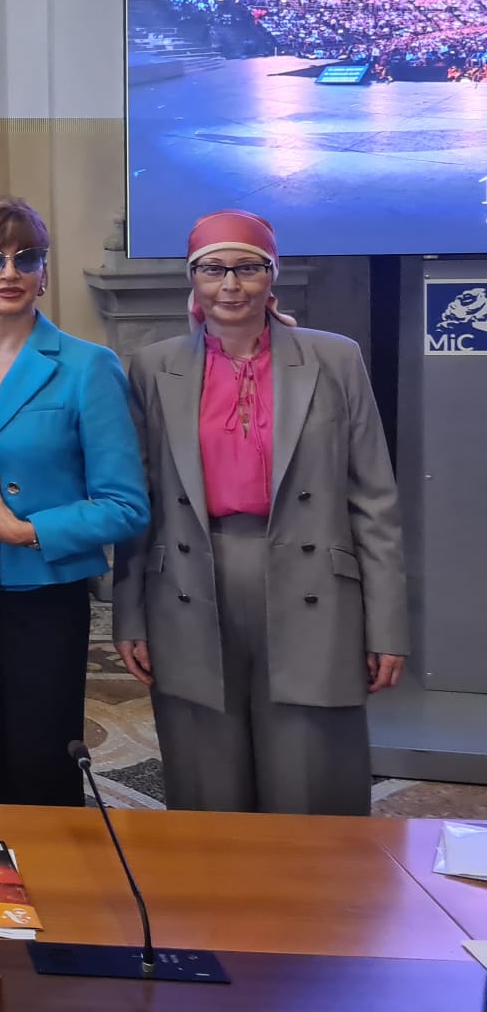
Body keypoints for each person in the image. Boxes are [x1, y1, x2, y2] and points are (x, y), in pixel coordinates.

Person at [117, 210, 406, 816]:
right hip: (188, 588)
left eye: (248, 268)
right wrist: (130, 617)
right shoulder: (152, 367)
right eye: (213, 269)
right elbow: (136, 502)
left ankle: (318, 906)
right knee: (206, 780)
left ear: (271, 276)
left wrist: (386, 627)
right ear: (191, 279)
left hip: (315, 587)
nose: (231, 284)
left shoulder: (336, 360)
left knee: (310, 780)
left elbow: (374, 499)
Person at [0, 197, 150, 807]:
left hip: (42, 596)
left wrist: (25, 532)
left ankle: (50, 892)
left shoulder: (89, 367)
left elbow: (127, 506)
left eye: (26, 257)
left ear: (43, 271)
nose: (8, 272)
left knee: (42, 761)